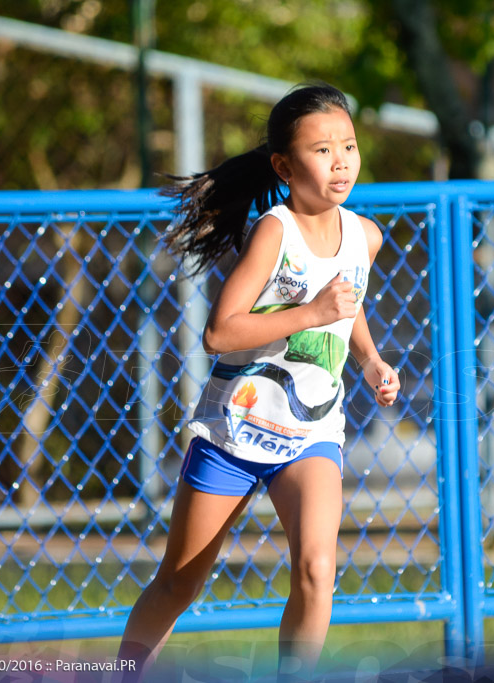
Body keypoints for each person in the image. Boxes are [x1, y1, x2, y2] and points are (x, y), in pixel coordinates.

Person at [116, 83, 400, 681]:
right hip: (234, 433)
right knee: (178, 584)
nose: (341, 161)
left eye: (348, 146)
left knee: (317, 571)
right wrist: (309, 315)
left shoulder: (365, 236)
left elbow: (346, 306)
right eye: (322, 150)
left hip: (311, 432)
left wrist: (370, 360)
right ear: (283, 165)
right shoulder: (275, 231)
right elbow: (220, 333)